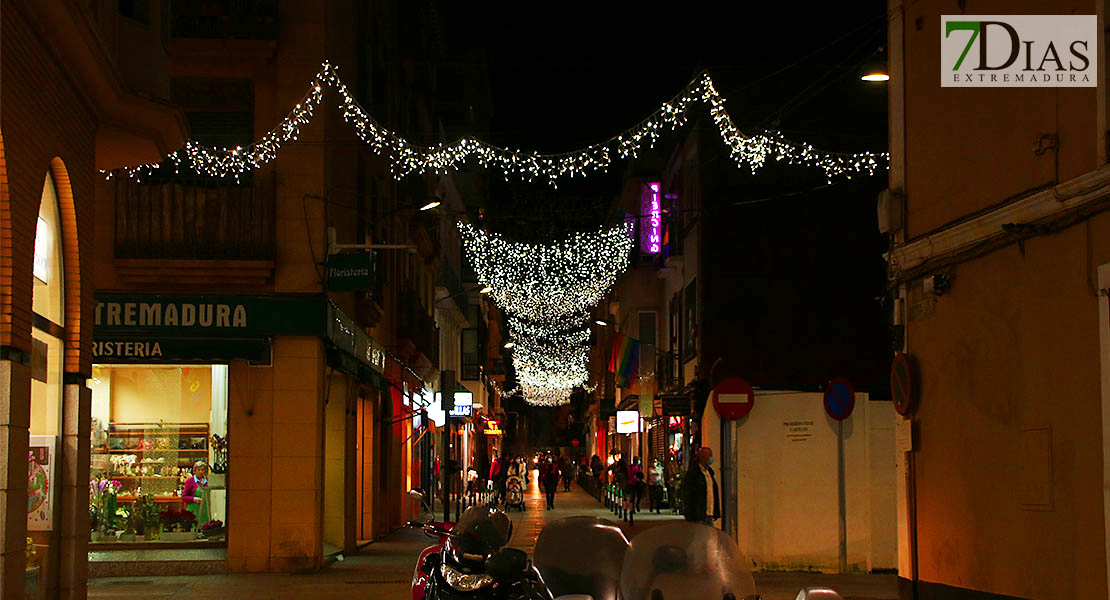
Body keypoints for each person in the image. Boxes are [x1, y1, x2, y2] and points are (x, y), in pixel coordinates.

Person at [680, 447, 720, 526]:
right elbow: (688, 495)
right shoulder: (693, 474)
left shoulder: (710, 473)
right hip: (698, 515)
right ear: (703, 457)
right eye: (710, 455)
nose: (711, 458)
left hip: (709, 513)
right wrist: (690, 514)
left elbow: (712, 493)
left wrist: (716, 511)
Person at [182, 461, 210, 529]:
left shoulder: (208, 481)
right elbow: (184, 497)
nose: (201, 472)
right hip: (193, 510)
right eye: (198, 470)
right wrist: (194, 499)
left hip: (205, 510)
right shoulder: (190, 481)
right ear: (194, 471)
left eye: (202, 470)